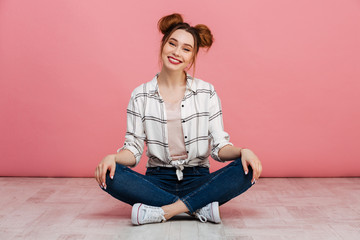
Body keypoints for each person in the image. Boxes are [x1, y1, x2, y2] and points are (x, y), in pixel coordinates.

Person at [95, 13, 262, 225]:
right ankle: (196, 208)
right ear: (163, 45)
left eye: (186, 48)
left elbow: (220, 147)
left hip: (198, 178)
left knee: (246, 170)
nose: (176, 52)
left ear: (192, 57)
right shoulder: (140, 95)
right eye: (172, 44)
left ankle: (165, 211)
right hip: (157, 180)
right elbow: (134, 150)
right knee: (109, 175)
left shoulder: (206, 92)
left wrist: (242, 151)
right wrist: (113, 158)